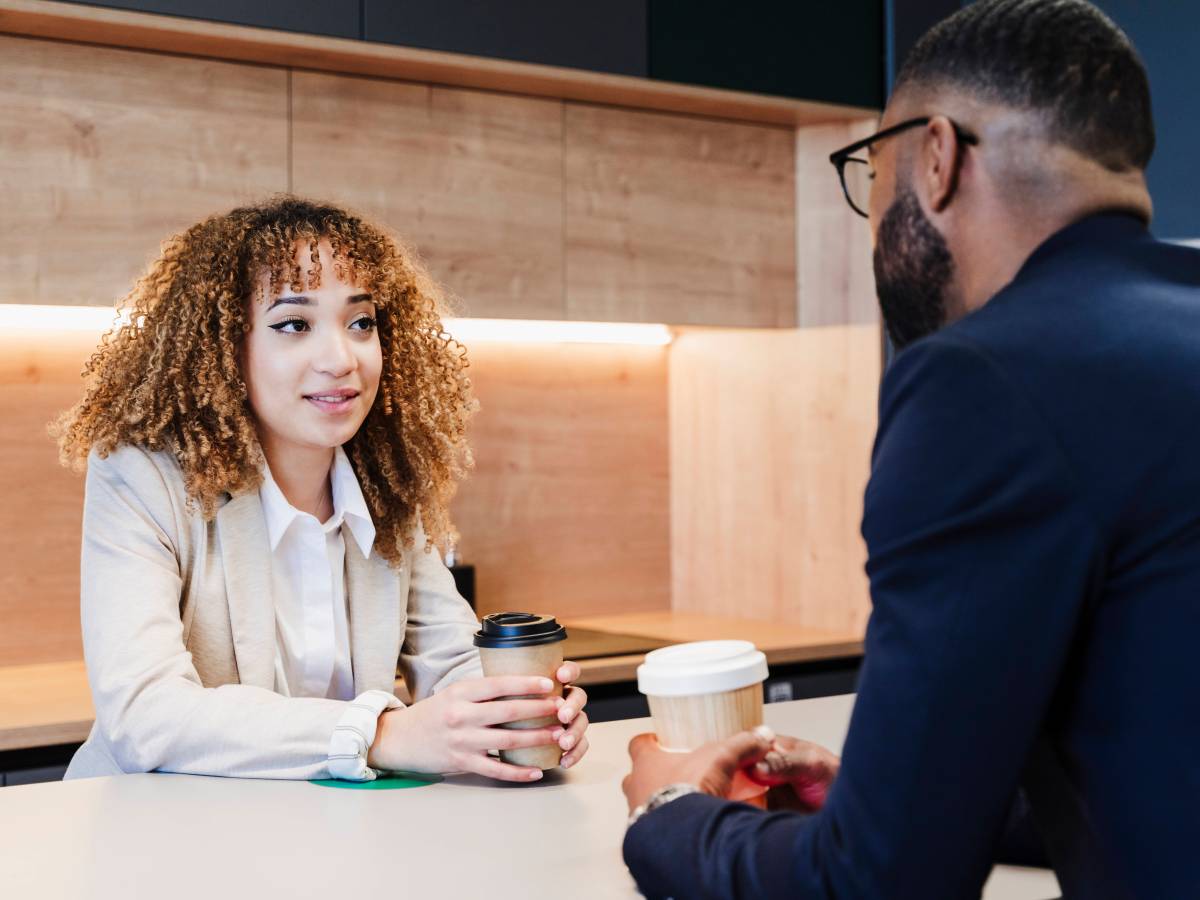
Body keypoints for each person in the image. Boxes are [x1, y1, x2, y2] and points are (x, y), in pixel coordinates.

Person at [620, 1, 1199, 896]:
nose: (873, 213)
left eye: (873, 169)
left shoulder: (983, 381)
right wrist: (894, 797)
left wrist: (670, 815)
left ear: (935, 158)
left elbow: (882, 886)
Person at [54, 196, 589, 783]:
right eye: (293, 324)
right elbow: (145, 715)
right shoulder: (141, 475)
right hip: (158, 840)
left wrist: (522, 711)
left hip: (321, 834)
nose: (341, 359)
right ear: (225, 348)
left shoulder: (383, 483)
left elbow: (453, 657)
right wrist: (379, 734)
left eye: (361, 323)